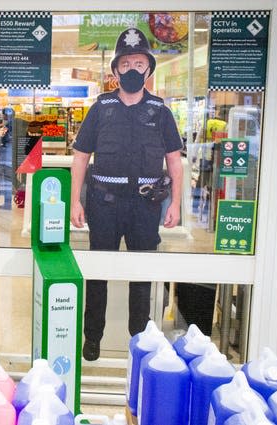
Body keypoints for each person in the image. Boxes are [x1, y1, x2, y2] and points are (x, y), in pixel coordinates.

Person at [70, 28, 183, 361]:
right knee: (98, 274)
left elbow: (174, 162)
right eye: (126, 63)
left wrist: (175, 202)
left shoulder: (160, 111)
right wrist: (76, 200)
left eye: (138, 62)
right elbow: (80, 157)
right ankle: (92, 339)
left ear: (148, 68)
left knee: (140, 277)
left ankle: (140, 342)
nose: (132, 69)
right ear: (115, 70)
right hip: (103, 204)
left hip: (146, 206)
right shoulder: (101, 107)